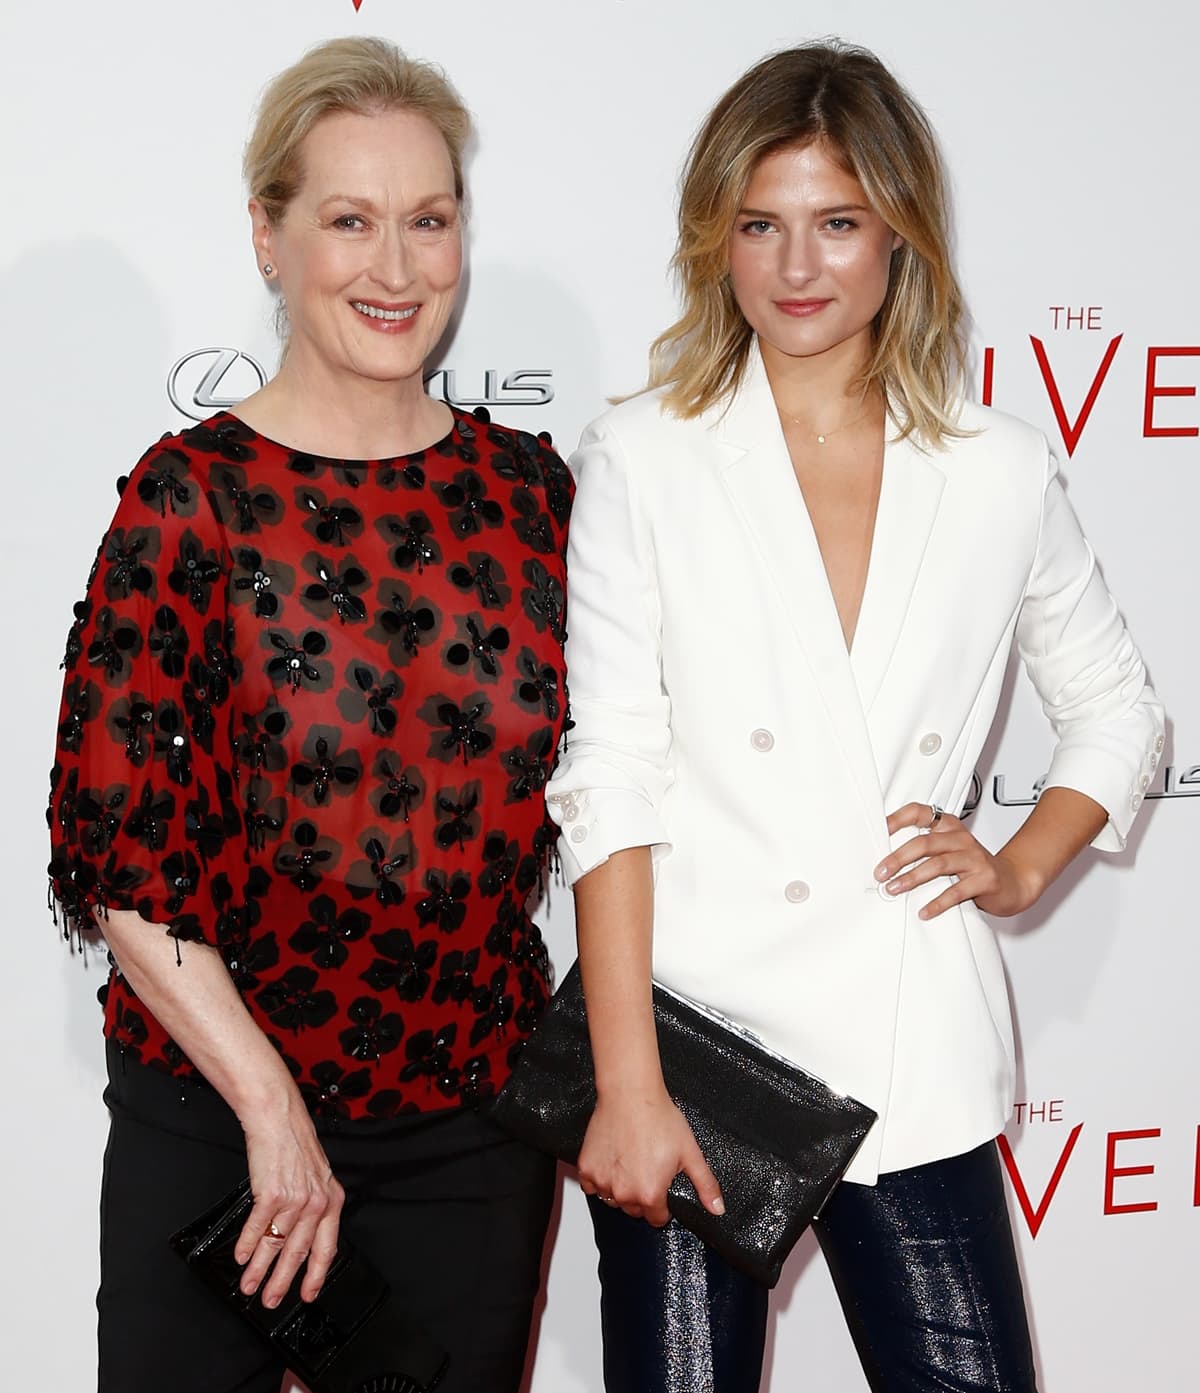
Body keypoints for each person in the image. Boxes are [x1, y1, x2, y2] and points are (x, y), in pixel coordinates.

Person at [545, 40, 1163, 1393]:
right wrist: (627, 1081)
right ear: (718, 240)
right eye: (760, 225)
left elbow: (1118, 706)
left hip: (911, 1052)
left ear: (900, 234)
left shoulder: (993, 467)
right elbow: (611, 776)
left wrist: (1019, 861)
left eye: (837, 223)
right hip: (696, 1047)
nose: (798, 265)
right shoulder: (646, 456)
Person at [47, 36, 572, 1393]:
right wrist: (271, 1110)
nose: (395, 269)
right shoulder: (189, 501)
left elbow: (631, 779)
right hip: (220, 1130)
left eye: (428, 220)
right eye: (349, 220)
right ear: (269, 237)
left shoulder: (532, 499)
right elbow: (121, 850)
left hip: (468, 1139)